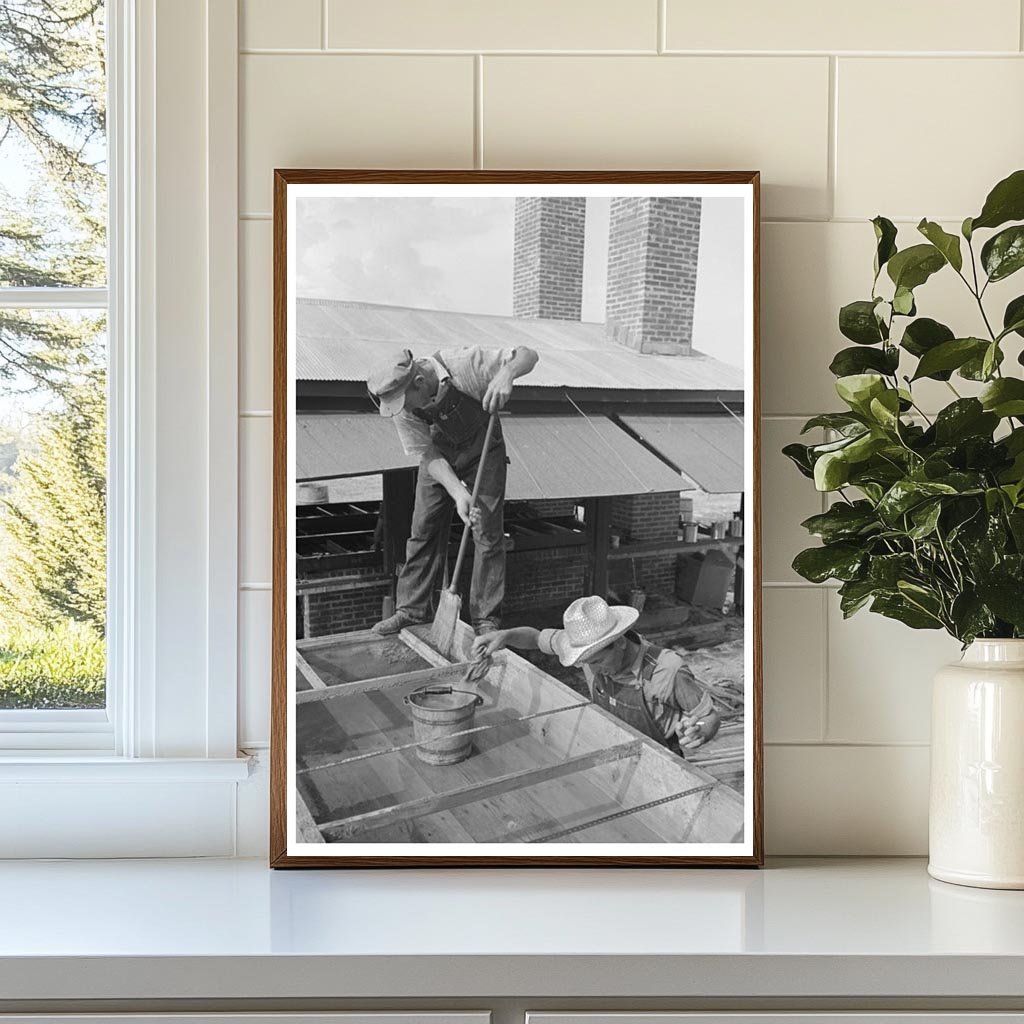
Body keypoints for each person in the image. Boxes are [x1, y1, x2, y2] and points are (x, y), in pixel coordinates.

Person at [367, 344, 539, 636]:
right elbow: (426, 452)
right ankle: (411, 610)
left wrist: (507, 373)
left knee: (486, 531)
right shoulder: (403, 406)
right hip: (439, 456)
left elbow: (528, 354)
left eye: (406, 403)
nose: (405, 411)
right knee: (423, 528)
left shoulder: (467, 364)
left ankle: (485, 619)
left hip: (483, 449)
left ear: (420, 384)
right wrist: (458, 492)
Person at [471, 595, 721, 752]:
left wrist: (699, 730)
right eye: (584, 662)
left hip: (660, 762)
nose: (592, 668)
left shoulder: (667, 670)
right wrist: (504, 636)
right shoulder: (584, 651)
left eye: (598, 661)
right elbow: (537, 638)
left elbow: (708, 716)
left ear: (620, 642)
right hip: (610, 749)